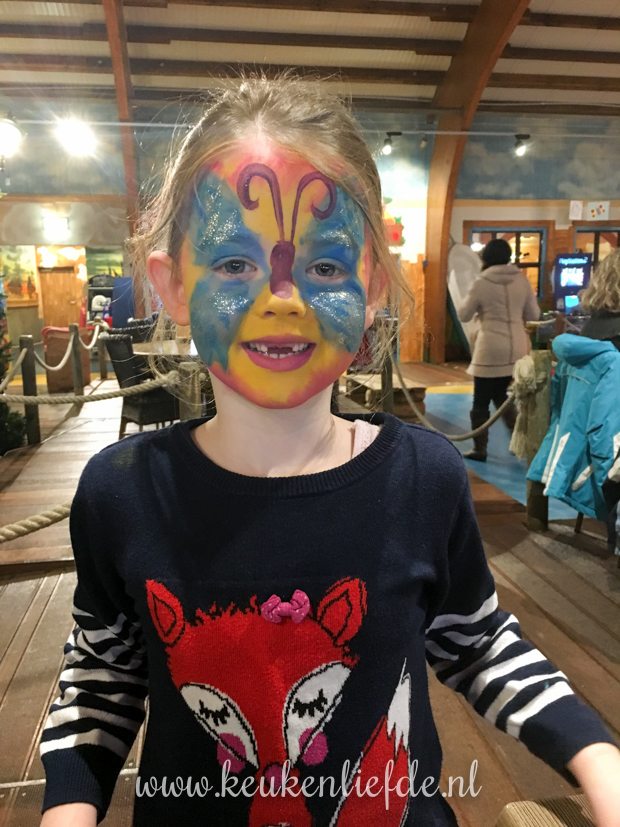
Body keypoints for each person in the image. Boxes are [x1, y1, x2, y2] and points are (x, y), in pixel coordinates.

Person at [40, 77, 619, 827]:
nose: (281, 298)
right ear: (172, 284)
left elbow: (476, 641)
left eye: (323, 268)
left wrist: (597, 757)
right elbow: (102, 674)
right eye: (233, 265)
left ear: (372, 284)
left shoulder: (424, 478)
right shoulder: (121, 493)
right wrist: (68, 808)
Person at [458, 238, 541, 462]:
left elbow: (464, 314)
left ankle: (480, 449)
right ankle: (520, 442)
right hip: (517, 347)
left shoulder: (481, 282)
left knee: (481, 401)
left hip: (490, 348)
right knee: (505, 397)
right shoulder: (521, 280)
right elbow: (534, 315)